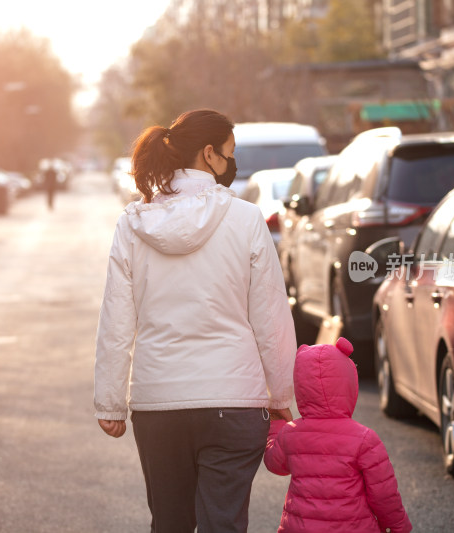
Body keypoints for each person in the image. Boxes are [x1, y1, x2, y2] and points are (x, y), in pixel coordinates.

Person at [94, 109, 296, 533]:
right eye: (229, 154)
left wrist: (110, 401)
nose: (231, 163)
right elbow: (271, 314)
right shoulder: (246, 220)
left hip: (159, 403)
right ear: (209, 155)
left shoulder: (133, 224)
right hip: (235, 399)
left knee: (169, 524)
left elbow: (117, 319)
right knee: (223, 524)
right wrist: (281, 392)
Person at [264, 337, 412, 533]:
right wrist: (397, 526)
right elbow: (383, 494)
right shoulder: (365, 439)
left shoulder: (290, 433)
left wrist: (275, 423)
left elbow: (275, 464)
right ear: (348, 383)